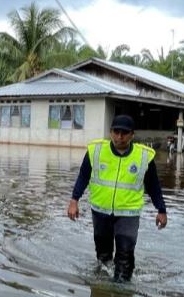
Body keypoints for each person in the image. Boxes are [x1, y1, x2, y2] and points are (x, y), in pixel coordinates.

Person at [67, 115, 168, 282]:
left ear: (132, 135)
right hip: (100, 211)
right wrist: (74, 200)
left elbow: (153, 186)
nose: (119, 137)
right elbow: (83, 176)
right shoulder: (96, 151)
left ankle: (123, 292)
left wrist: (161, 210)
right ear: (110, 132)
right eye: (116, 132)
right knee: (103, 255)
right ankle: (103, 293)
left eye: (124, 133)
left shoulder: (143, 157)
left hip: (128, 213)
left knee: (125, 253)